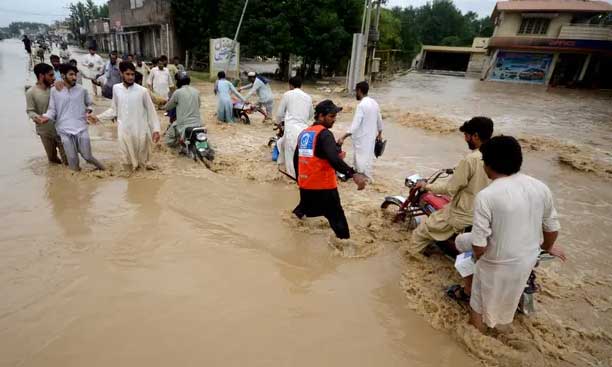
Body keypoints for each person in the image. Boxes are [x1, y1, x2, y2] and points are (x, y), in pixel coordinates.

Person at [457, 136, 565, 332]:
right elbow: (551, 229)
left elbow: (479, 245)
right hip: (528, 259)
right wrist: (547, 247)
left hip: (497, 265)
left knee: (478, 305)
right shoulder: (540, 187)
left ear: (488, 164)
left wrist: (479, 260)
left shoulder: (487, 195)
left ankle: (476, 335)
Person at [409, 117, 494, 254]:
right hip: (484, 214)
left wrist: (427, 186)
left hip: (463, 214)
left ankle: (409, 261)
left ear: (475, 136)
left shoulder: (470, 160)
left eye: (467, 135)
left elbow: (450, 189)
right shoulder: (496, 155)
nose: (465, 139)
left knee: (420, 233)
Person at [292, 100, 368, 239]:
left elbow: (296, 158)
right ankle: (345, 248)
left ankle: (292, 233)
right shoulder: (325, 134)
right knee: (338, 221)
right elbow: (334, 159)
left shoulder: (305, 133)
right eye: (331, 116)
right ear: (321, 116)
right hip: (324, 188)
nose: (334, 120)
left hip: (306, 186)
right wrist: (353, 174)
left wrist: (299, 179)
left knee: (302, 210)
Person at [95, 61, 160, 170]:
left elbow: (151, 111)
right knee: (126, 162)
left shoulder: (142, 91)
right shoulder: (116, 88)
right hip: (124, 132)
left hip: (140, 132)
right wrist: (97, 117)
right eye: (128, 74)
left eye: (132, 74)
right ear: (121, 73)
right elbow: (113, 110)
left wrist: (156, 130)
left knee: (141, 164)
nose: (131, 77)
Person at [40, 63, 105, 171]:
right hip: (64, 130)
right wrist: (46, 117)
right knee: (72, 160)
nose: (74, 77)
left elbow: (89, 104)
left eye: (75, 74)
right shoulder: (54, 91)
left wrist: (88, 112)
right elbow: (52, 110)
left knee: (87, 156)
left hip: (81, 128)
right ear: (63, 75)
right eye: (71, 74)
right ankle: (77, 184)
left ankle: (105, 170)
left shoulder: (82, 90)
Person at [337, 81, 383, 180]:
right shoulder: (374, 103)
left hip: (361, 138)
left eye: (356, 91)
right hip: (370, 138)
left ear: (359, 90)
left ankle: (360, 179)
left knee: (360, 160)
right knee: (367, 160)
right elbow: (379, 119)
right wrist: (380, 133)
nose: (355, 94)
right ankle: (367, 179)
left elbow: (355, 125)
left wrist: (343, 137)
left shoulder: (361, 105)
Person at [25, 63, 67, 165]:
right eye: (51, 75)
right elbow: (30, 110)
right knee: (52, 159)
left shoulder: (55, 89)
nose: (53, 78)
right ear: (41, 76)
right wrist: (36, 117)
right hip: (45, 131)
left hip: (61, 129)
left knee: (68, 159)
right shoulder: (31, 92)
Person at [275, 76, 313, 178]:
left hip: (291, 129)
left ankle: (292, 178)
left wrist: (278, 123)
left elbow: (279, 113)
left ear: (290, 85)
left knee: (290, 156)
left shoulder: (287, 94)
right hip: (305, 130)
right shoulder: (308, 97)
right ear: (301, 85)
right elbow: (311, 115)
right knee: (283, 144)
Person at [163, 71, 203, 147]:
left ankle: (179, 144)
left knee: (168, 141)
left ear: (178, 81)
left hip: (183, 124)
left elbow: (168, 107)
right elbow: (199, 105)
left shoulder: (177, 92)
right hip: (198, 123)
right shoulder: (196, 91)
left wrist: (164, 106)